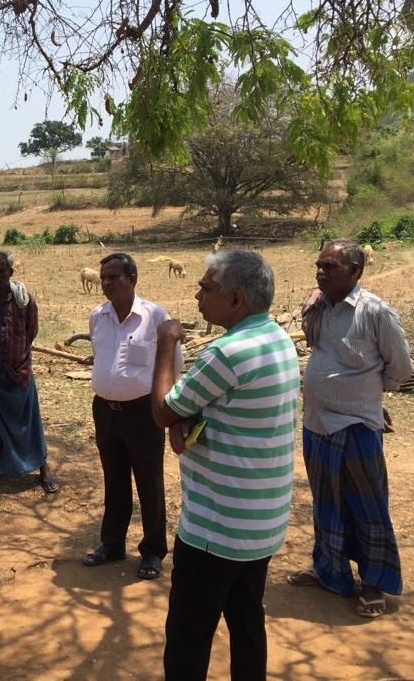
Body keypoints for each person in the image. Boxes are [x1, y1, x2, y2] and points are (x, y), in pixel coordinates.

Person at [151, 249, 299, 681]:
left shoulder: (227, 353)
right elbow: (232, 409)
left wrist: (166, 340)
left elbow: (163, 409)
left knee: (187, 638)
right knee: (247, 622)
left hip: (215, 530)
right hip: (259, 524)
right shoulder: (277, 339)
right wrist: (191, 417)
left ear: (235, 299)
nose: (197, 293)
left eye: (207, 287)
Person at [288, 239, 414, 618]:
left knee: (367, 505)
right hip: (317, 424)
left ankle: (374, 583)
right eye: (318, 265)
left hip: (357, 424)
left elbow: (402, 369)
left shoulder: (376, 312)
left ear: (355, 272)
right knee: (326, 502)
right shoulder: (318, 307)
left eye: (330, 267)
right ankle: (330, 571)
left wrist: (369, 394)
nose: (320, 272)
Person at [83, 252, 174, 580]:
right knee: (114, 477)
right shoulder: (97, 316)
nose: (106, 283)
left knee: (149, 481)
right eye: (104, 277)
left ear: (133, 280)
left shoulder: (155, 317)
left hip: (142, 412)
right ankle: (112, 543)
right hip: (105, 411)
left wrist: (167, 409)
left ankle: (152, 551)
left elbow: (171, 366)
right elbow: (100, 356)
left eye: (114, 278)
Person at [0, 250, 55, 492]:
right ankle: (0, 466)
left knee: (29, 421)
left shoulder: (25, 300)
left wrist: (16, 353)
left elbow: (32, 331)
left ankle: (42, 467)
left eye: (2, 270)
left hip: (19, 371)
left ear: (11, 272)